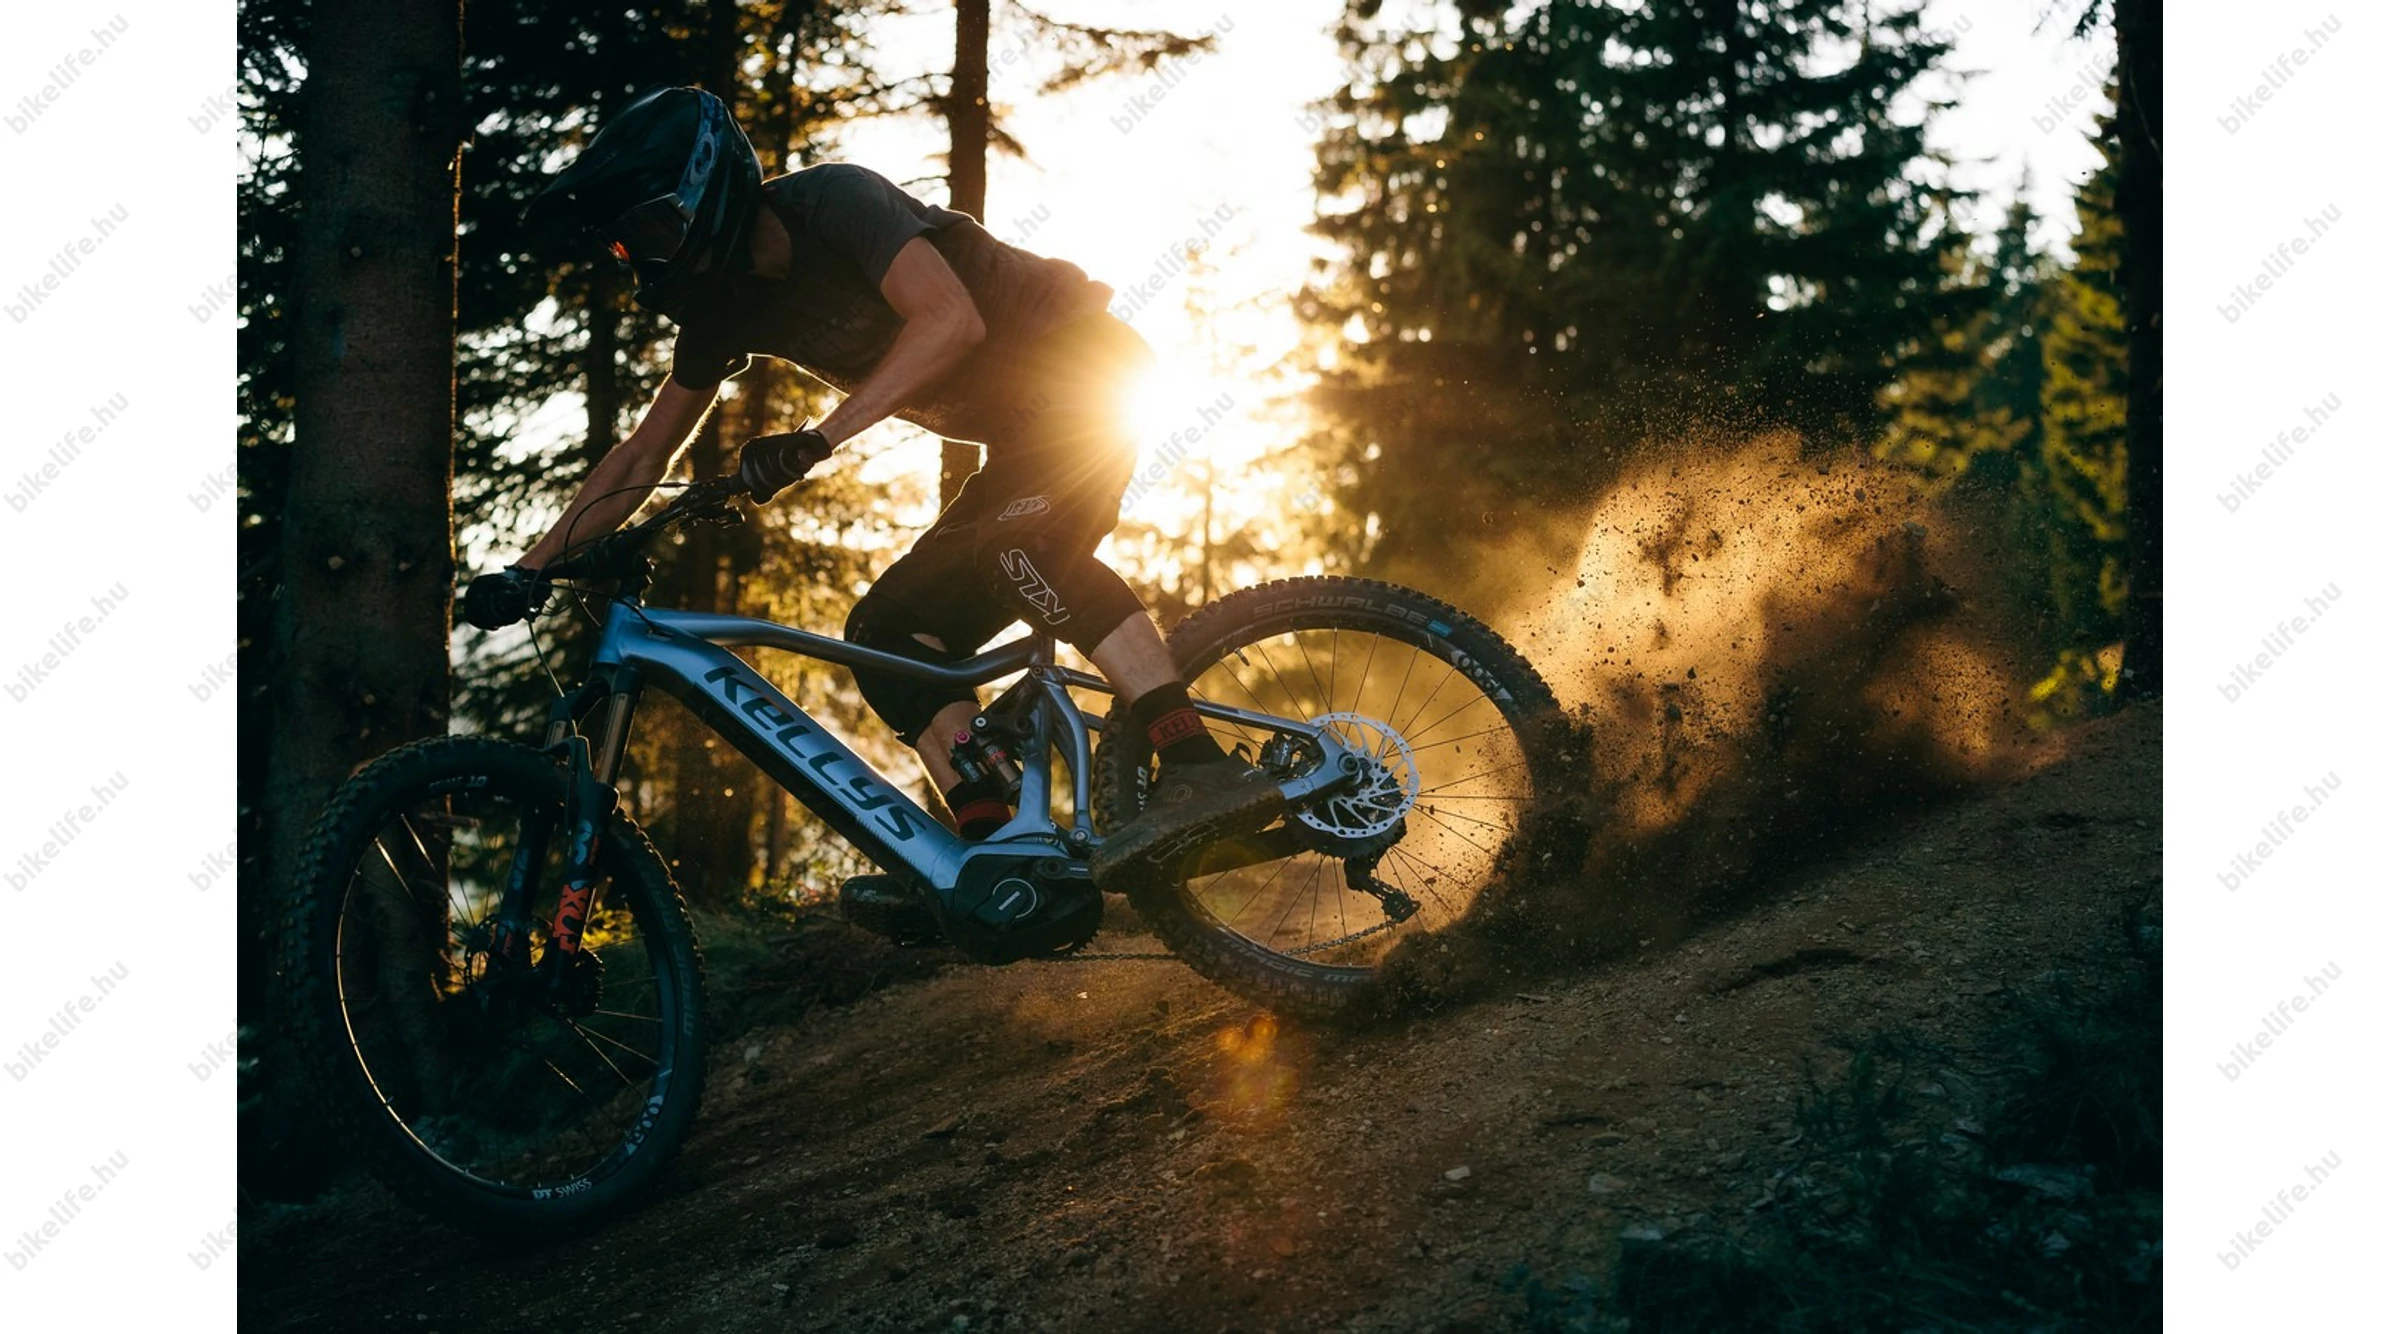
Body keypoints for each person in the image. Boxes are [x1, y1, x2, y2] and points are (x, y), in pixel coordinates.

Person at [459, 85, 1279, 890]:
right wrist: (531, 568)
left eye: (649, 231)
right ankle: (992, 861)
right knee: (886, 635)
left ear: (704, 188)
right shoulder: (725, 304)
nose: (643, 259)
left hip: (1091, 378)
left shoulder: (834, 203)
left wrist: (819, 437)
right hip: (1022, 440)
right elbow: (643, 454)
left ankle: (1196, 761)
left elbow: (950, 319)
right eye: (625, 247)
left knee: (1019, 548)